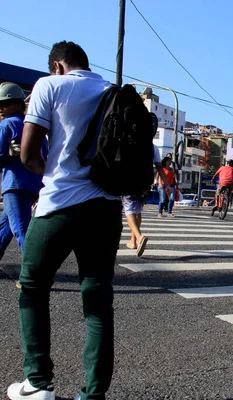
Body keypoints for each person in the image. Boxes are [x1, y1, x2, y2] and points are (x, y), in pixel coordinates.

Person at [7, 41, 122, 400]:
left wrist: (53, 173)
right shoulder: (115, 93)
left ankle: (38, 383)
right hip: (106, 208)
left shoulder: (48, 86)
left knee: (33, 287)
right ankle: (92, 394)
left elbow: (28, 155)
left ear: (57, 65)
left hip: (60, 205)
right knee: (98, 301)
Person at [0, 83, 46, 266]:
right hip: (32, 183)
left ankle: (34, 275)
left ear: (18, 104)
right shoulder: (32, 125)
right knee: (5, 227)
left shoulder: (7, 125)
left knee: (22, 230)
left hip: (14, 184)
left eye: (6, 103)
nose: (2, 108)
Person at [123, 144, 171, 257]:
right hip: (145, 182)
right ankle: (132, 241)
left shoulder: (129, 141)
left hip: (129, 179)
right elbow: (159, 167)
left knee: (129, 210)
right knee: (138, 210)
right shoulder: (153, 147)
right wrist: (167, 184)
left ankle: (139, 237)